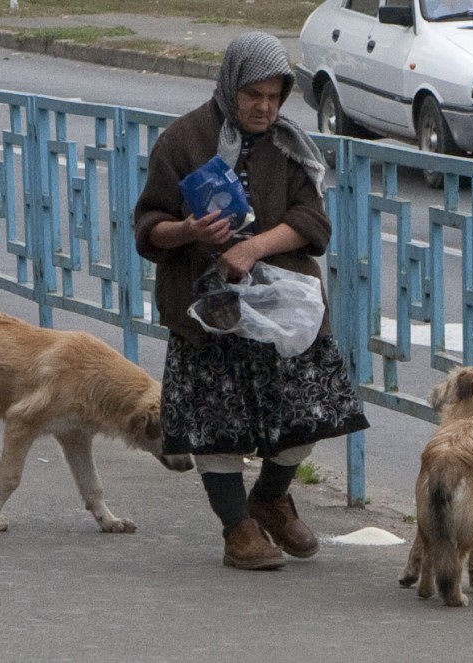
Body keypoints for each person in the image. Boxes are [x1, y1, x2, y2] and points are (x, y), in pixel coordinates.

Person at [134, 31, 369, 570]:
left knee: (312, 413)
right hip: (207, 310)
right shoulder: (183, 141)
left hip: (281, 306)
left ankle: (270, 497)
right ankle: (237, 529)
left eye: (275, 96)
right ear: (230, 87)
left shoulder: (288, 145)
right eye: (253, 96)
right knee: (216, 425)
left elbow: (313, 223)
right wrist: (190, 230)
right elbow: (147, 229)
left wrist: (255, 248)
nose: (265, 108)